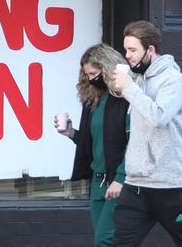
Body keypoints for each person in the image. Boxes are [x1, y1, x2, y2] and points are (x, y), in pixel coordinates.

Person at [111, 20, 182, 246]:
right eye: (126, 50)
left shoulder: (172, 79)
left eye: (133, 50)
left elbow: (159, 116)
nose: (128, 55)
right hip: (137, 184)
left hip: (171, 185)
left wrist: (129, 88)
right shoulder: (138, 78)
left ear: (150, 50)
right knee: (120, 242)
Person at [54, 43, 130, 247]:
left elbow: (134, 143)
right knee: (104, 238)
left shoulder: (125, 98)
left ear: (107, 68)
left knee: (104, 240)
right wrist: (71, 133)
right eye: (87, 74)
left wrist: (121, 178)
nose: (90, 78)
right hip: (97, 183)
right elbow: (92, 143)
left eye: (94, 73)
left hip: (117, 181)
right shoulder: (94, 99)